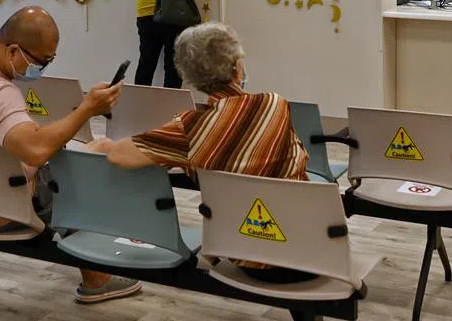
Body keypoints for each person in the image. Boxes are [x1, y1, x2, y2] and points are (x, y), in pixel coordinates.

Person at [0, 6, 140, 305]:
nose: (42, 69)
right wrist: (87, 110)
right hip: (0, 206)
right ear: (13, 50)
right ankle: (97, 278)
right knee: (91, 159)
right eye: (41, 61)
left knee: (78, 152)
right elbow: (35, 149)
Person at [102, 22, 310, 283]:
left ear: (190, 77)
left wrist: (168, 152)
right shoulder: (275, 105)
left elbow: (118, 155)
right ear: (237, 69)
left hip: (244, 257)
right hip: (309, 253)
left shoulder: (189, 130)